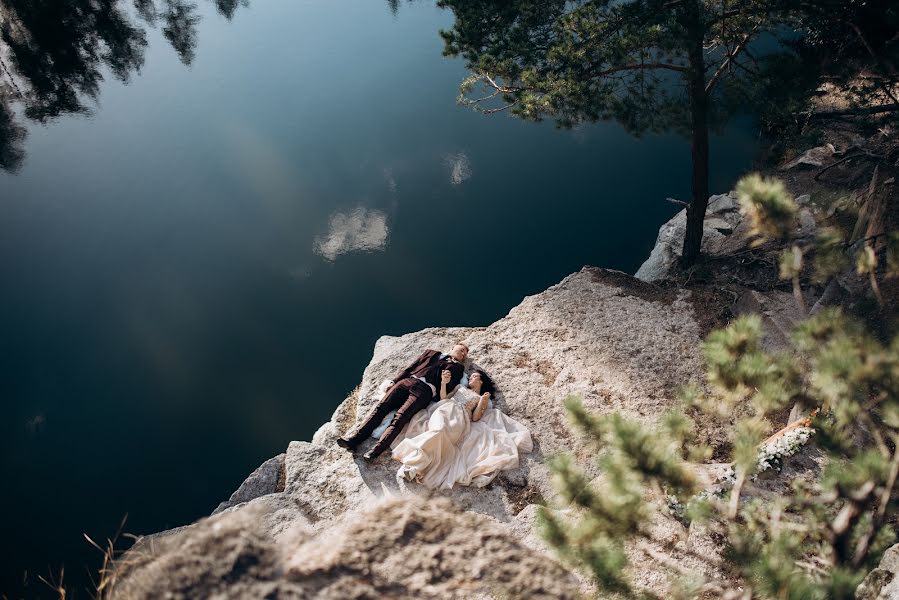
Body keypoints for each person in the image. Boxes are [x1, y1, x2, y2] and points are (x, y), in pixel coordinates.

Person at [392, 370, 532, 489]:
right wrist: (443, 383)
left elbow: (476, 418)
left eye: (475, 376)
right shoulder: (460, 387)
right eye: (470, 376)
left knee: (444, 438)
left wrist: (483, 402)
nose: (471, 377)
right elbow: (443, 398)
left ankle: (417, 465)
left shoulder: (480, 397)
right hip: (445, 410)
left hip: (461, 420)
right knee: (438, 431)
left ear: (481, 381)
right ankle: (412, 466)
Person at [336, 342, 468, 460]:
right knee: (380, 408)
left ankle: (375, 451)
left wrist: (444, 382)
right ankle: (353, 441)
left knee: (400, 418)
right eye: (461, 349)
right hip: (406, 381)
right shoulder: (431, 352)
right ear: (453, 346)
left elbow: (444, 393)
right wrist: (394, 381)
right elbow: (411, 367)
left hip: (424, 391)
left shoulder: (458, 369)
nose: (463, 353)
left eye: (465, 353)